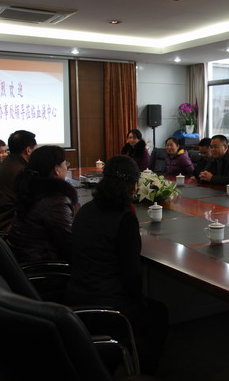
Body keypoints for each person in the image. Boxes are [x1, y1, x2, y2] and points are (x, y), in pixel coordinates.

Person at [66, 155, 168, 374]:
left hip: (77, 295)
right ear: (133, 186)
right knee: (159, 314)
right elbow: (131, 275)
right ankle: (143, 372)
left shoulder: (85, 209)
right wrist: (140, 302)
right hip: (108, 305)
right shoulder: (124, 219)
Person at [8, 145, 78, 264]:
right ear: (56, 169)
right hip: (44, 265)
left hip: (24, 258)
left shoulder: (30, 190)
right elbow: (71, 243)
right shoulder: (55, 201)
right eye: (65, 163)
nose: (66, 167)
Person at [0, 130, 37, 237]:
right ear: (28, 150)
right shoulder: (20, 170)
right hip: (7, 226)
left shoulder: (9, 162)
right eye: (35, 149)